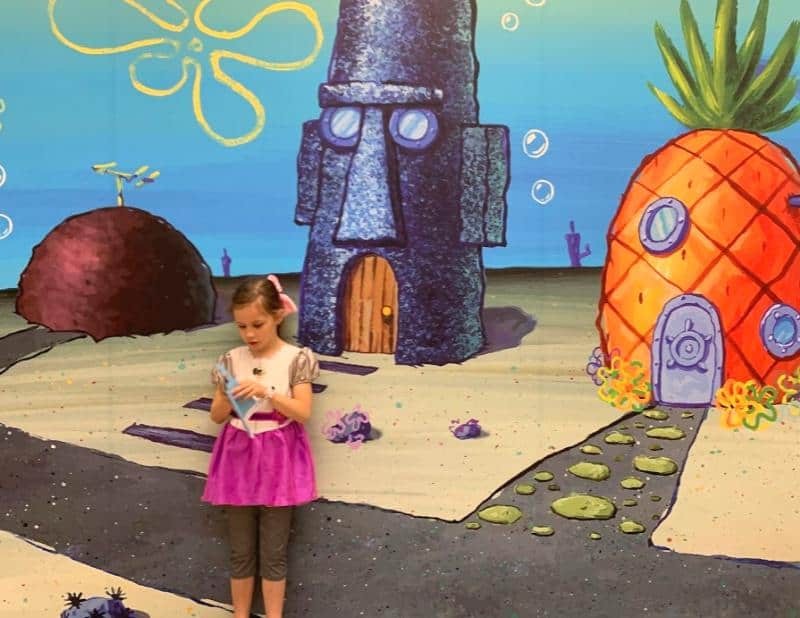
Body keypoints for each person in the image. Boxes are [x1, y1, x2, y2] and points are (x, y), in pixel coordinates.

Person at [202, 274, 319, 618]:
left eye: (257, 324)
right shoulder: (231, 359)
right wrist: (227, 393)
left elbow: (303, 411)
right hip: (237, 453)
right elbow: (216, 416)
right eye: (242, 327)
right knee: (240, 550)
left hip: (278, 454)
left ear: (278, 316)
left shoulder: (295, 358)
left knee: (274, 551)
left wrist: (266, 392)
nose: (250, 334)